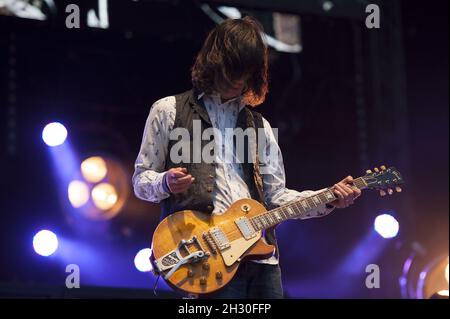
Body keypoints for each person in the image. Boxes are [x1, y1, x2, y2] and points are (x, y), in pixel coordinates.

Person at [132, 16, 361, 299]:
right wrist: (165, 182)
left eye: (244, 72)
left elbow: (276, 197)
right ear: (214, 63)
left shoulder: (259, 127)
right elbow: (141, 181)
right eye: (231, 69)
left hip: (262, 260)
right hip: (207, 258)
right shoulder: (168, 111)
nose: (237, 80)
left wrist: (329, 198)